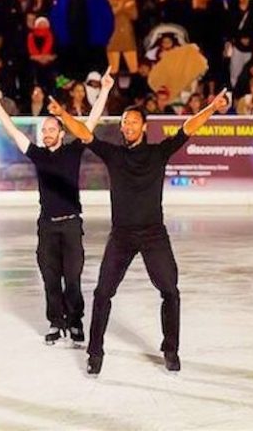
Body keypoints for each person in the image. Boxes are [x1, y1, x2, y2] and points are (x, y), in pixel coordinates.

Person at [47, 88, 229, 375]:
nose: (127, 126)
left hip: (154, 233)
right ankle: (95, 354)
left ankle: (171, 349)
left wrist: (211, 107)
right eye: (124, 122)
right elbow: (84, 133)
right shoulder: (114, 154)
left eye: (133, 122)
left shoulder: (158, 153)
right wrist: (63, 115)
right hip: (121, 235)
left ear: (144, 126)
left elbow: (188, 128)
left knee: (170, 290)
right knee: (102, 293)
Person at [0, 70, 112, 345]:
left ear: (62, 132)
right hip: (47, 225)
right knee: (50, 278)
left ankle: (75, 322)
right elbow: (12, 130)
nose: (46, 134)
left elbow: (90, 121)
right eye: (44, 130)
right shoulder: (38, 155)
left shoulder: (74, 150)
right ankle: (56, 322)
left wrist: (103, 91)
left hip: (71, 224)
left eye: (51, 129)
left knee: (74, 278)